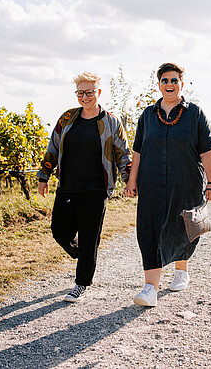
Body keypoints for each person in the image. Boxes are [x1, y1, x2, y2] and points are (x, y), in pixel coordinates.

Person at [124, 62, 211, 307]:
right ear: (158, 85)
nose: (169, 84)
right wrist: (132, 180)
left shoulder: (195, 114)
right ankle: (150, 289)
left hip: (185, 182)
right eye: (165, 80)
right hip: (151, 182)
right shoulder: (147, 115)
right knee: (149, 230)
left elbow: (207, 151)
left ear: (181, 84)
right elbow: (138, 152)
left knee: (183, 226)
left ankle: (181, 270)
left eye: (174, 80)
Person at [37, 72, 132, 302]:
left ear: (98, 93)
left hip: (96, 189)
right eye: (80, 93)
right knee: (59, 231)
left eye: (89, 92)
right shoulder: (67, 118)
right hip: (67, 186)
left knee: (90, 236)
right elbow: (53, 146)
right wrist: (44, 175)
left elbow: (122, 153)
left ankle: (81, 283)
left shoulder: (111, 122)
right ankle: (85, 256)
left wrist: (129, 179)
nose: (85, 97)